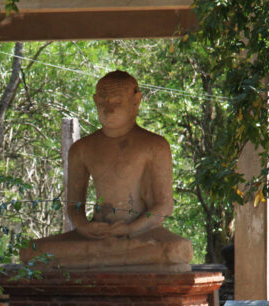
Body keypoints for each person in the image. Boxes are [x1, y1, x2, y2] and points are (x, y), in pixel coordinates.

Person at [20, 70, 192, 269]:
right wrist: (85, 228)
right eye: (103, 102)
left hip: (142, 233)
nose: (108, 109)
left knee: (176, 249)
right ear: (95, 101)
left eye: (117, 102)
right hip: (96, 236)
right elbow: (74, 207)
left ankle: (102, 256)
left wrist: (130, 228)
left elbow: (164, 206)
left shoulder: (154, 145)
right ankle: (108, 254)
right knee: (31, 251)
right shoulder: (82, 148)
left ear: (136, 101)